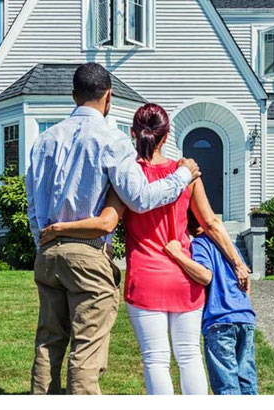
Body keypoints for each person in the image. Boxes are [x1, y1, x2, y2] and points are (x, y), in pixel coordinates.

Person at [39, 102, 251, 395]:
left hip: (145, 280)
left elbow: (107, 221)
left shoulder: (126, 178)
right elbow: (212, 223)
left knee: (156, 360)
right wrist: (237, 262)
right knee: (189, 356)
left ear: (132, 134)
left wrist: (59, 228)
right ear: (166, 136)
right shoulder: (185, 174)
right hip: (184, 279)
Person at [25, 62, 202, 395]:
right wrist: (183, 175)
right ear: (108, 96)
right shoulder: (112, 139)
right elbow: (139, 198)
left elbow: (32, 201)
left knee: (48, 342)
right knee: (86, 350)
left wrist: (43, 240)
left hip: (48, 253)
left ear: (73, 96)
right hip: (88, 254)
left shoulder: (44, 140)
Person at [164, 209, 258, 395]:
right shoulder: (229, 246)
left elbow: (205, 276)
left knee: (227, 386)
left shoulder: (200, 244)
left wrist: (178, 255)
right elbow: (246, 280)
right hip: (245, 317)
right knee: (247, 380)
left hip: (220, 320)